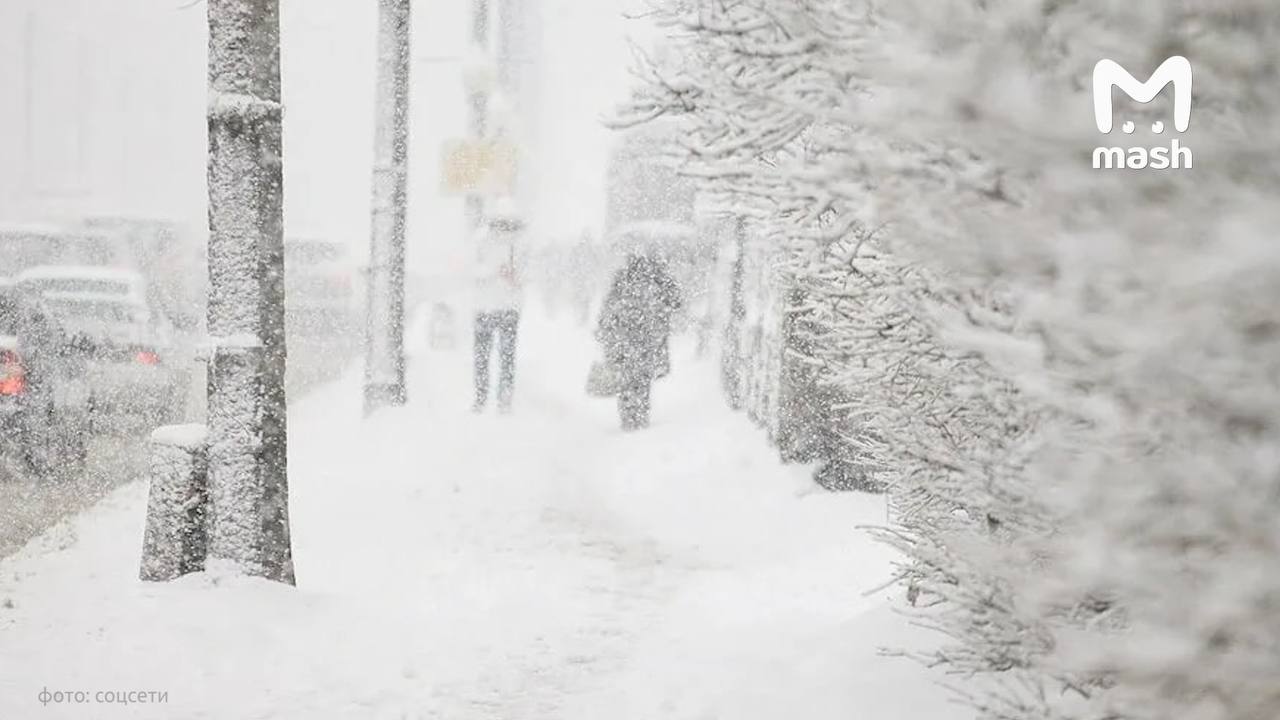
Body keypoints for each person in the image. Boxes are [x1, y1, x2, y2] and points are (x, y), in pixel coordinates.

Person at [596, 251, 682, 430]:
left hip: (626, 338)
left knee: (628, 377)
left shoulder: (623, 278)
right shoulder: (658, 278)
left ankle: (629, 414)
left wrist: (605, 328)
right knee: (642, 378)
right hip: (647, 338)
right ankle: (639, 413)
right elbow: (676, 301)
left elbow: (609, 307)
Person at [472, 209, 524, 413]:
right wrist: (494, 273)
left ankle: (502, 398)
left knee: (505, 356)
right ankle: (482, 396)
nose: (504, 230)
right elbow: (472, 271)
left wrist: (516, 277)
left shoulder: (519, 247)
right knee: (486, 357)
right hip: (486, 307)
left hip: (507, 307)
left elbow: (527, 276)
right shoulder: (481, 245)